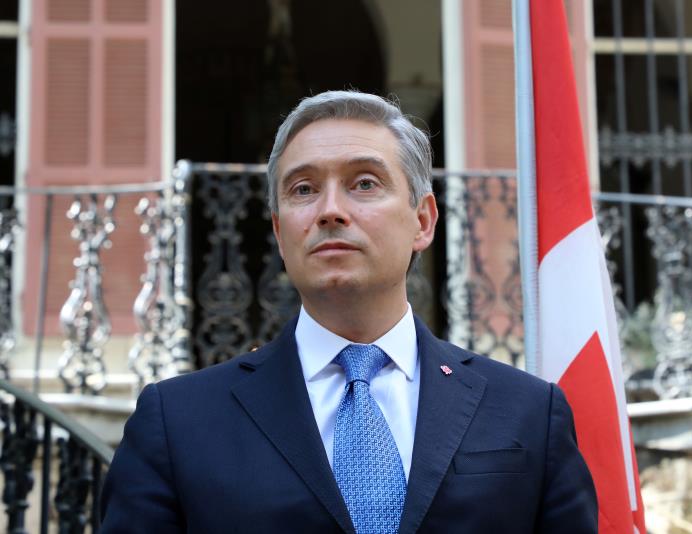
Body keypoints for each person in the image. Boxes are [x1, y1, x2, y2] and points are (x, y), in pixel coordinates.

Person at [101, 90, 597, 533]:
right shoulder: (177, 422)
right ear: (279, 232)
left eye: (363, 183)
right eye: (303, 189)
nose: (330, 210)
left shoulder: (529, 412)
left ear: (422, 221)